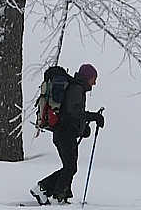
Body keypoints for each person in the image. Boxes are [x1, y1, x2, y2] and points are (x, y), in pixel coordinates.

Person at [32, 63, 105, 206]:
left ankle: (56, 193)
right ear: (87, 77)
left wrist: (81, 129)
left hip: (64, 132)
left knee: (70, 166)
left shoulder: (76, 88)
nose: (94, 83)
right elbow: (74, 112)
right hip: (64, 132)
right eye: (93, 79)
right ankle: (48, 191)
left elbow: (71, 114)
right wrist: (92, 117)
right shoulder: (76, 89)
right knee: (70, 167)